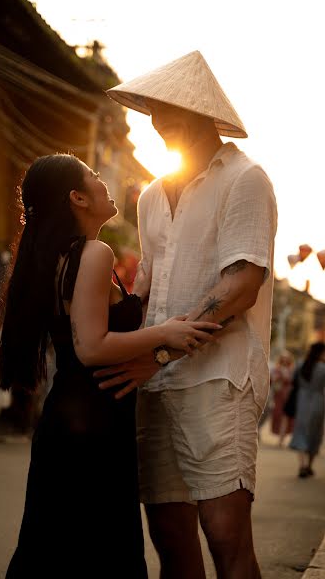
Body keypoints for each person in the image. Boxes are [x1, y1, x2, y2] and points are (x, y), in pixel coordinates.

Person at [97, 50, 278, 579]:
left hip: (219, 380)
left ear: (203, 111)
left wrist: (157, 351)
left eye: (170, 108)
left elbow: (242, 284)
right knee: (170, 540)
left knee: (225, 536)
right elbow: (149, 288)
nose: (158, 120)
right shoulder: (150, 195)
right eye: (153, 109)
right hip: (154, 386)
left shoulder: (246, 179)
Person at [0, 153, 219, 578]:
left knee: (52, 549)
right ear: (77, 197)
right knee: (98, 552)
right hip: (94, 420)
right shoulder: (93, 252)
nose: (104, 181)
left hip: (70, 417)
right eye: (95, 176)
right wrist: (164, 334)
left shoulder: (61, 256)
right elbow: (92, 347)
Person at [289, 342, 325, 478]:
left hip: (302, 401)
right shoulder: (323, 368)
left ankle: (302, 465)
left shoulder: (300, 365)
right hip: (318, 402)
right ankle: (309, 465)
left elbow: (293, 382)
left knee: (301, 431)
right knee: (315, 434)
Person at [270, 350, 295, 445]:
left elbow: (293, 381)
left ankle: (282, 438)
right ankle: (280, 436)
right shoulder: (277, 369)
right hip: (279, 396)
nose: (285, 360)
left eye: (287, 358)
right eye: (283, 358)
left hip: (288, 396)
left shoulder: (292, 370)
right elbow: (273, 380)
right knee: (278, 415)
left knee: (286, 417)